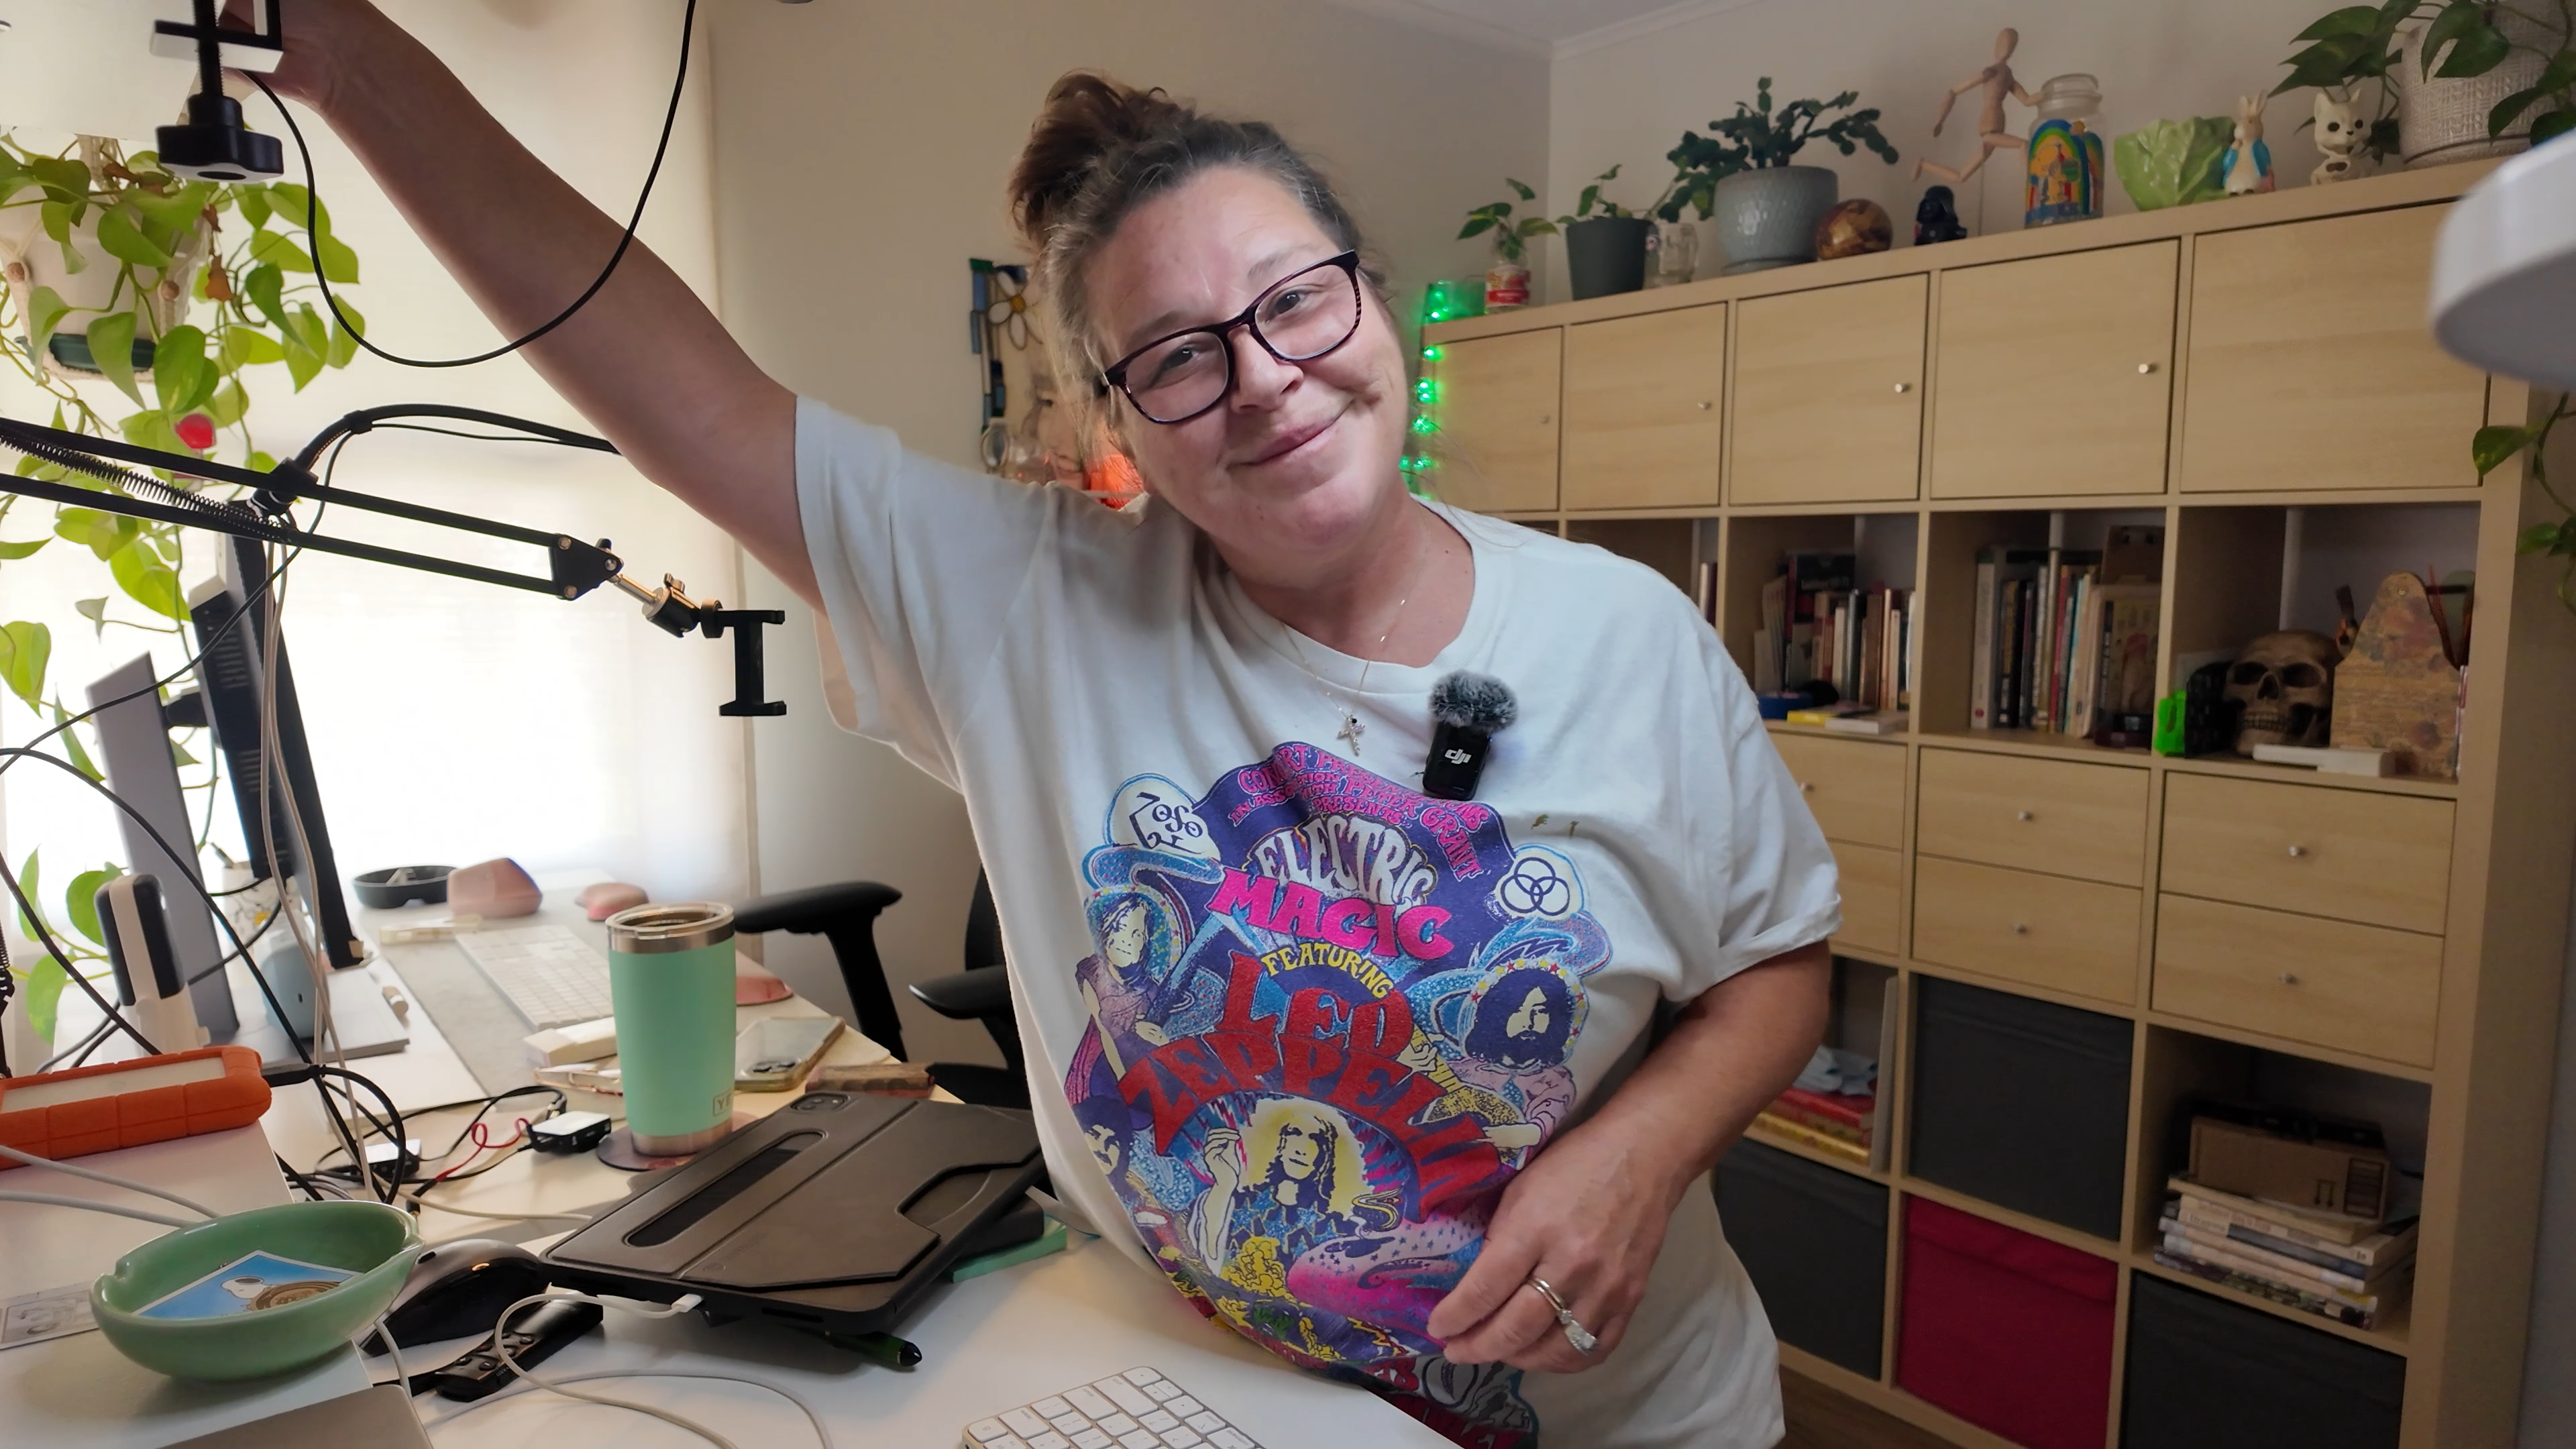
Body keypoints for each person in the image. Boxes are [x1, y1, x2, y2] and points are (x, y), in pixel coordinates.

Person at [257, 7, 1838, 1444]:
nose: (1268, 381)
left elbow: (1775, 960)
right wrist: (349, 63)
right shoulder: (1030, 610)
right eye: (1179, 357)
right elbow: (679, 394)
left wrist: (1644, 1153)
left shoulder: (1627, 636)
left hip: (1640, 1422)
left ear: (1370, 297)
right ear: (1118, 424)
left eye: (1296, 300)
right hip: (1210, 1407)